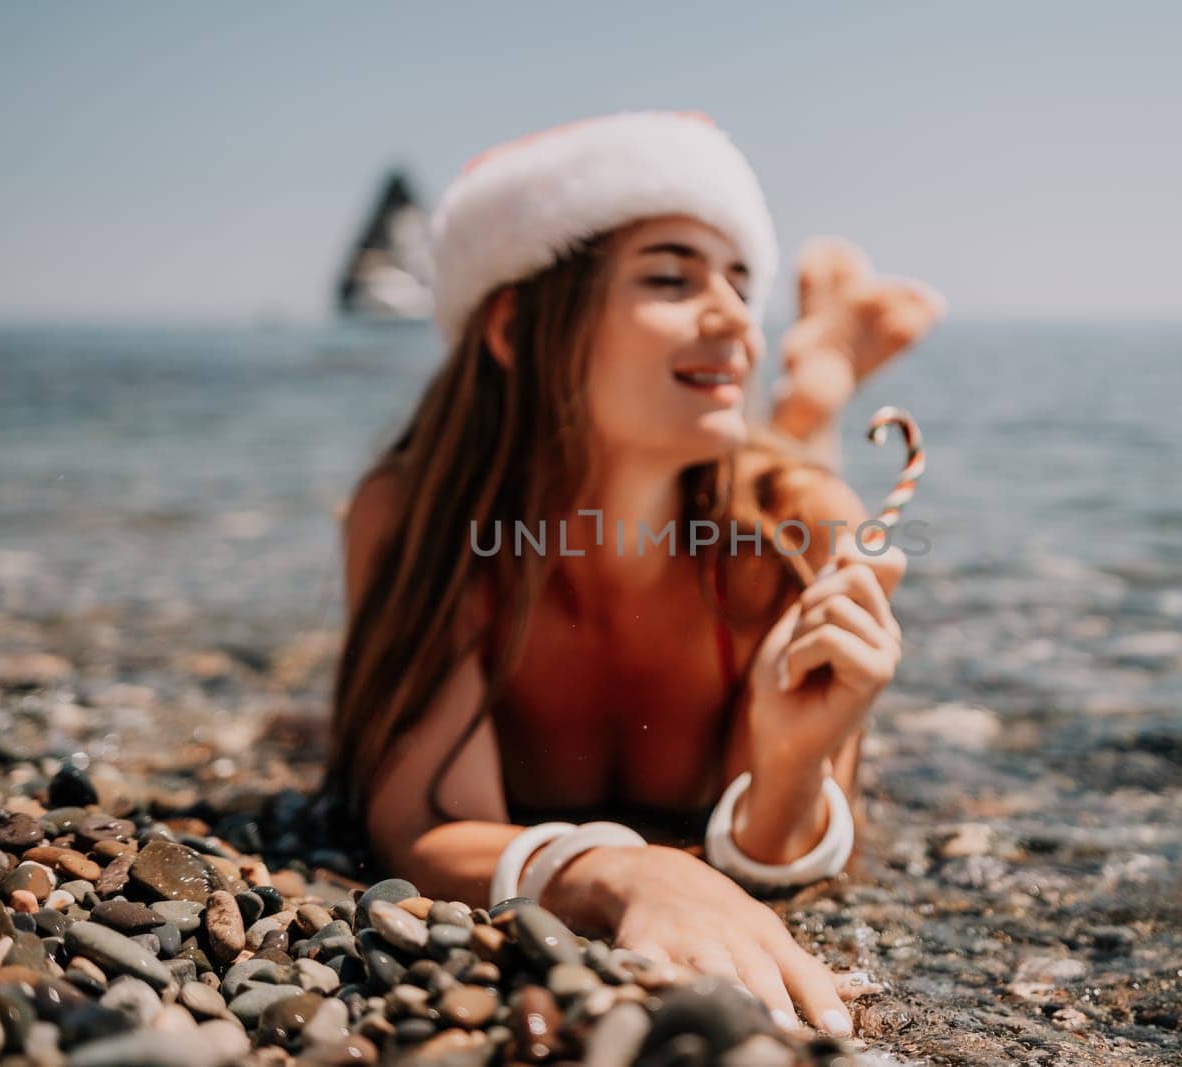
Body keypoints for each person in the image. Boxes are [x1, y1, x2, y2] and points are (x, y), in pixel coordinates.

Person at [329, 110, 943, 1037]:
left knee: (805, 469)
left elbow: (793, 850)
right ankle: (813, 378)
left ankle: (818, 384)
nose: (735, 314)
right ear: (513, 323)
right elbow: (416, 825)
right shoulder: (417, 516)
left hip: (772, 496)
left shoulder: (800, 528)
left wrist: (790, 764)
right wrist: (632, 868)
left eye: (744, 281)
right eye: (670, 276)